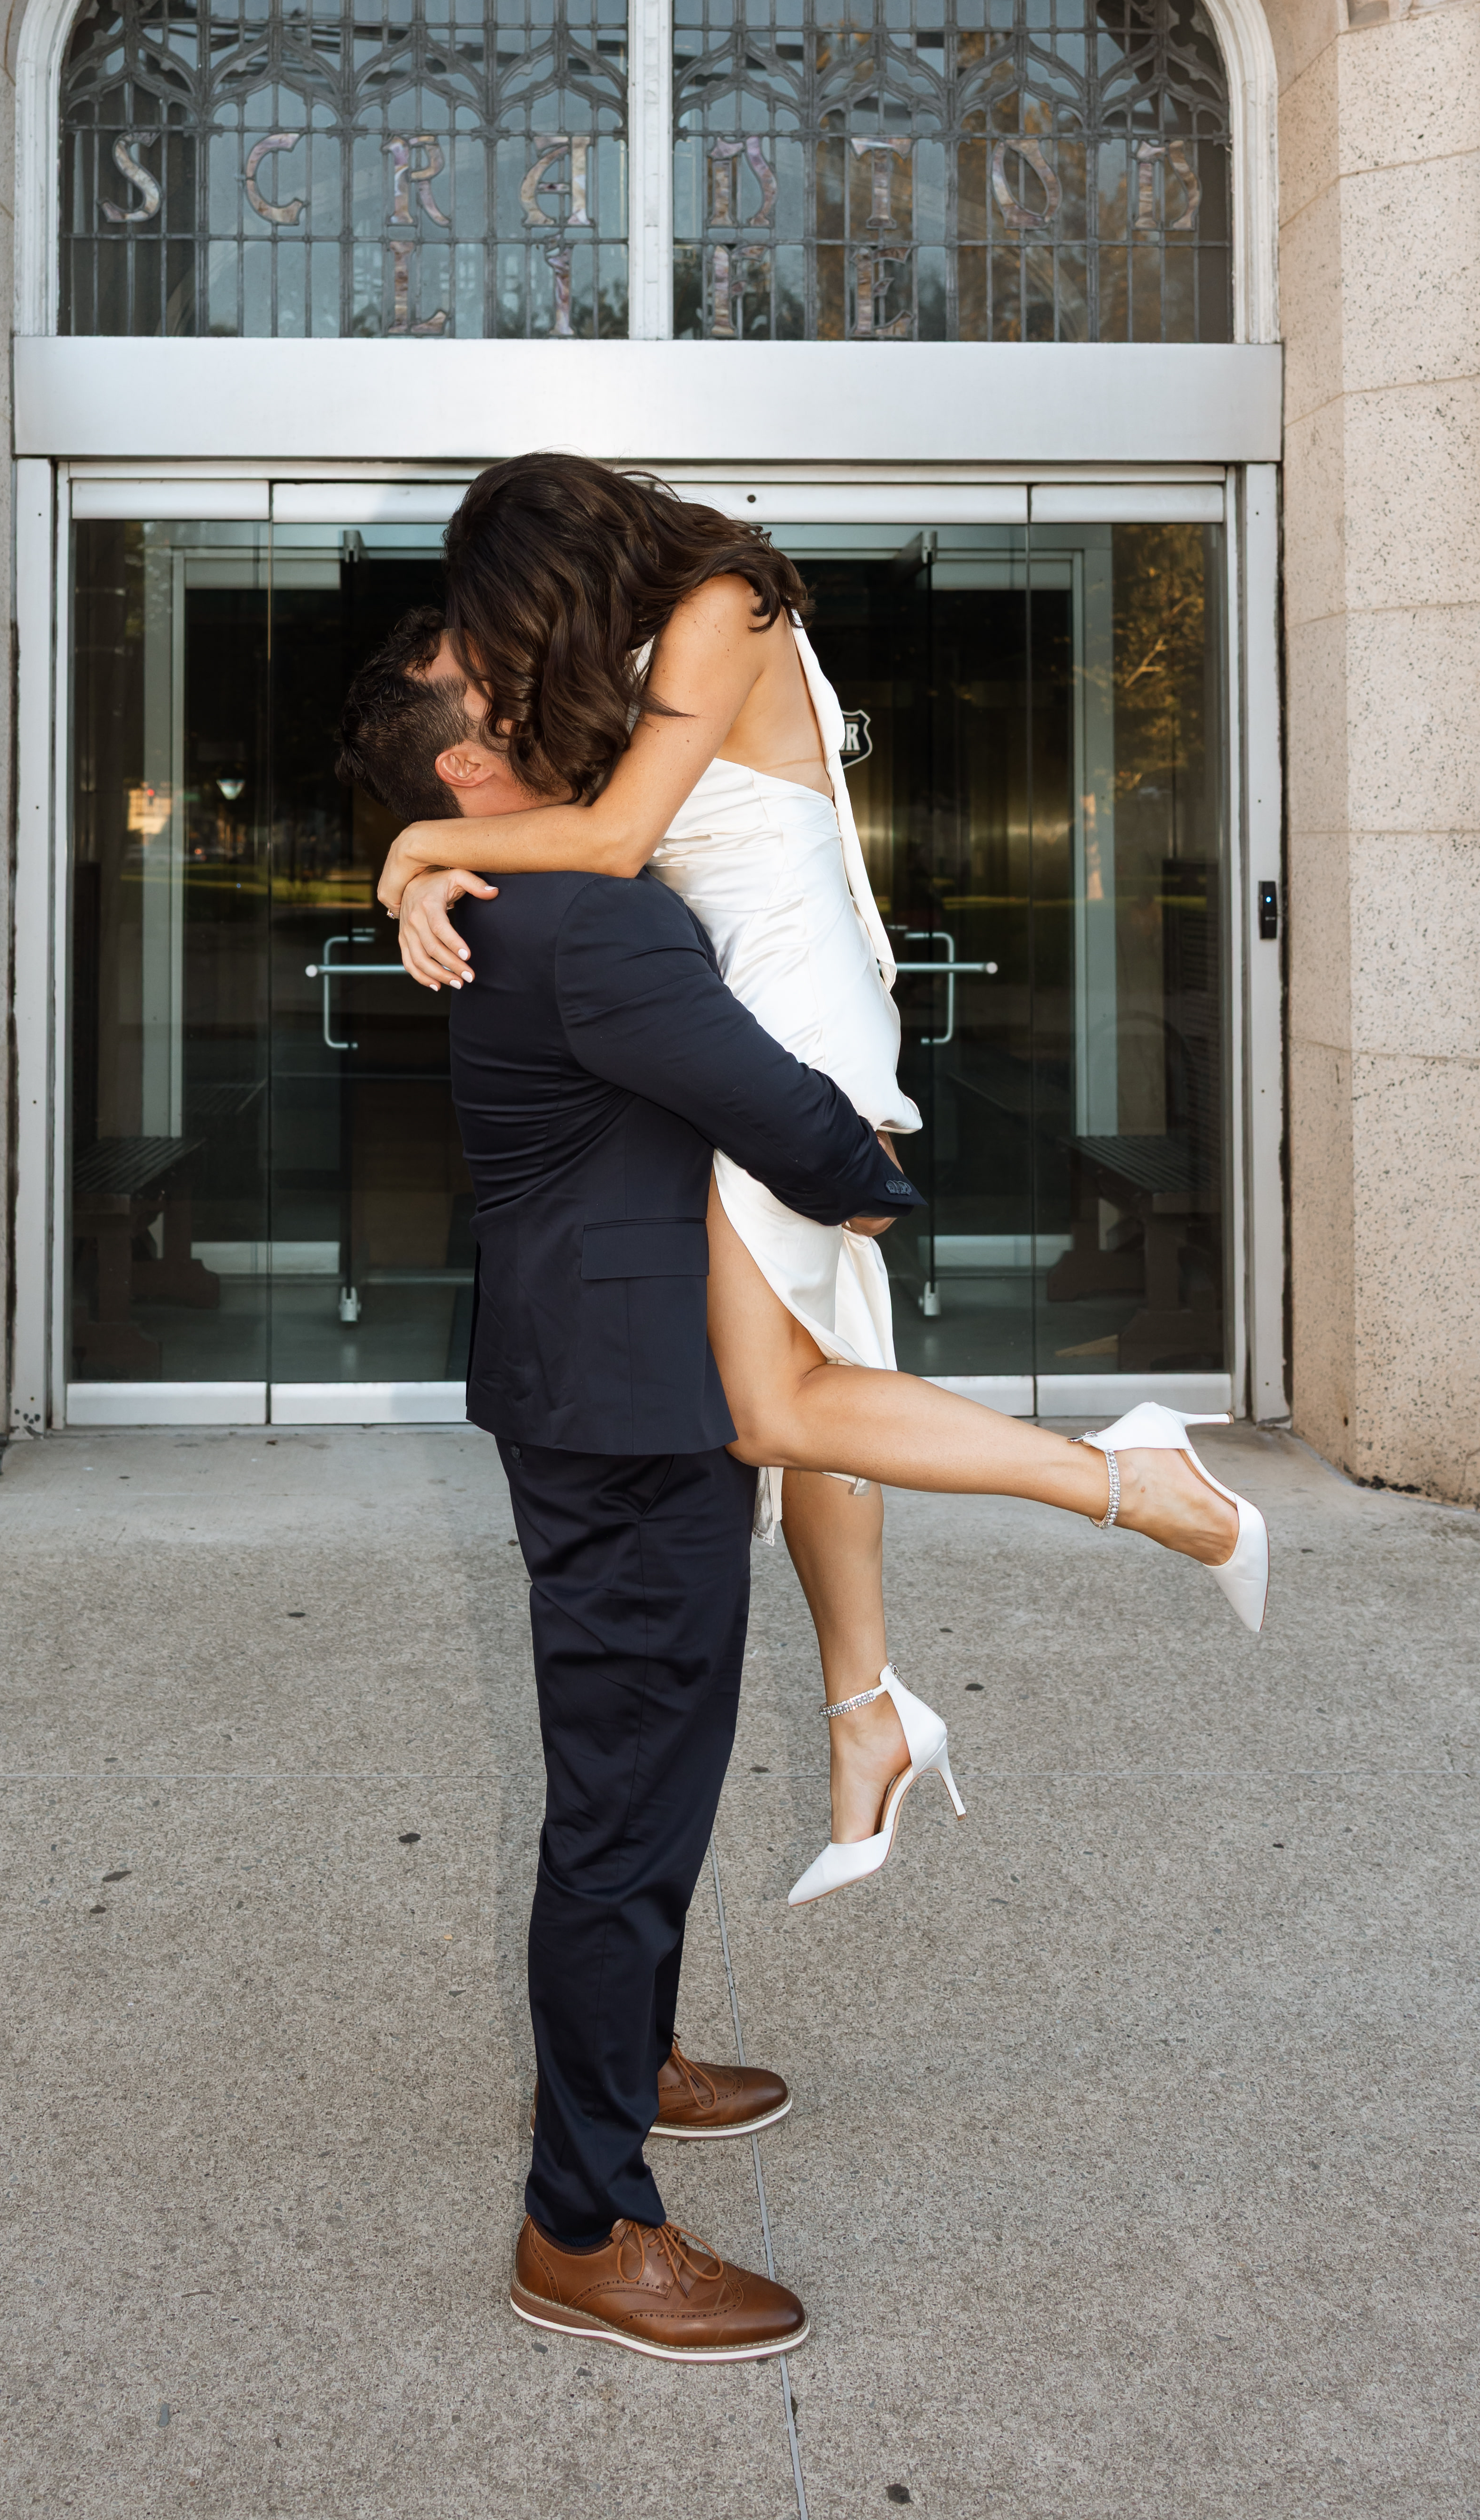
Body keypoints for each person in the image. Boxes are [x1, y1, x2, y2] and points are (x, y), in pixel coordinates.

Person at [375, 457, 1268, 1903]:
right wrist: (425, 875)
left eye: (511, 611)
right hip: (754, 1006)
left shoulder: (720, 606)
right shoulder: (648, 654)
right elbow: (570, 844)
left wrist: (415, 844)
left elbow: (602, 844)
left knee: (767, 1401)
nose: (509, 649)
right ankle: (866, 1712)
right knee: (806, 1385)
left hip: (789, 1018)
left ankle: (1137, 1482)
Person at [336, 619, 923, 2362]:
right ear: (466, 763)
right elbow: (770, 1108)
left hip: (604, 1384)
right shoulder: (593, 914)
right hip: (628, 1408)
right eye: (490, 688)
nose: (530, 689)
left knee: (638, 1779)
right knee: (624, 1812)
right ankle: (581, 2224)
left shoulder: (522, 890)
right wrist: (877, 1183)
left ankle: (636, 2053)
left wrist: (416, 862)